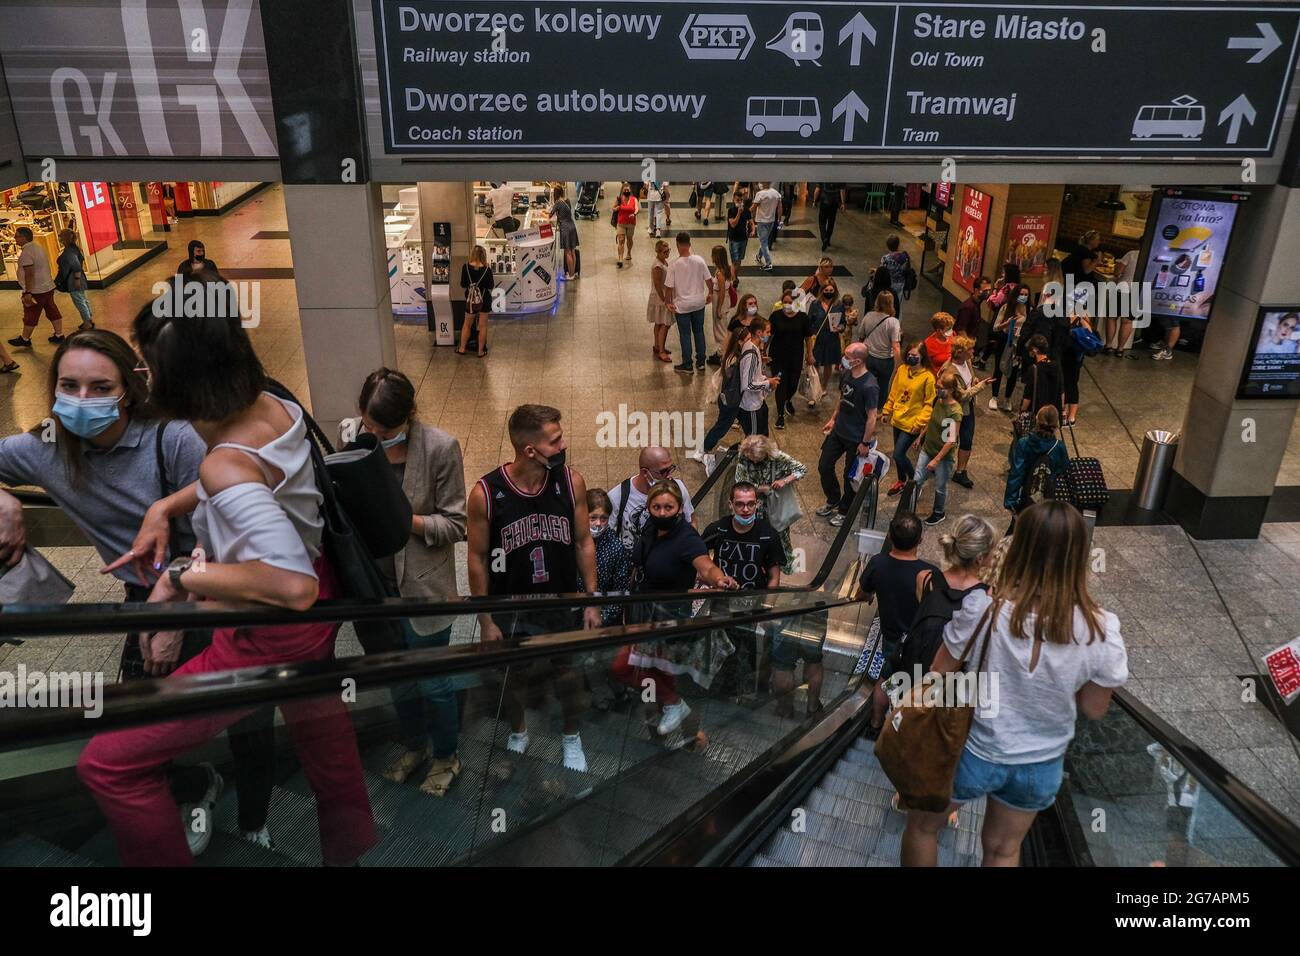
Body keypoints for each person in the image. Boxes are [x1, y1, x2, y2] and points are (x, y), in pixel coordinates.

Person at [79, 291, 377, 867]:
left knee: (109, 762)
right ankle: (349, 853)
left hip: (268, 631)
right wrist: (168, 506)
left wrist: (185, 575)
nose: (143, 374)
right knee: (325, 741)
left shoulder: (224, 460)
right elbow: (256, 478)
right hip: (320, 603)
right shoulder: (271, 402)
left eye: (147, 365)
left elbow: (292, 585)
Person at [0, 330, 251, 854]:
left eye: (99, 386)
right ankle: (187, 787)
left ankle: (253, 814)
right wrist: (4, 500)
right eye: (69, 385)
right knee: (139, 722)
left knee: (243, 709)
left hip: (211, 590)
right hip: (144, 597)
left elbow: (223, 534)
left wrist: (176, 618)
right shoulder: (47, 447)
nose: (82, 400)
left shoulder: (172, 438)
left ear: (128, 390)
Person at [901, 500, 1128, 867]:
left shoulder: (984, 609)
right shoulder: (1102, 629)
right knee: (1003, 849)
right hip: (1040, 764)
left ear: (1018, 549)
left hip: (975, 751)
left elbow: (936, 673)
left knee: (923, 829)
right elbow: (1094, 707)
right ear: (1078, 555)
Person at [341, 369, 467, 798]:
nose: (374, 436)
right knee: (398, 680)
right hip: (379, 588)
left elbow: (455, 524)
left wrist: (403, 522)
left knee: (434, 682)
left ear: (408, 417)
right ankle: (415, 746)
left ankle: (447, 755)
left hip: (425, 588)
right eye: (368, 426)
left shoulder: (440, 448)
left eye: (385, 430)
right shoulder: (354, 438)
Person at [466, 404, 603, 773]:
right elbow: (477, 558)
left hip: (560, 601)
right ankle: (519, 730)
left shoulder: (571, 481)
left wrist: (591, 599)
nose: (564, 445)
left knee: (569, 673)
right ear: (530, 450)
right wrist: (485, 618)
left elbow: (583, 541)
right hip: (512, 604)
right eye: (556, 440)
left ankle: (571, 737)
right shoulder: (486, 493)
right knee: (514, 674)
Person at [613, 481, 739, 734]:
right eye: (656, 507)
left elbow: (705, 566)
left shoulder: (686, 538)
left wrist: (719, 578)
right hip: (642, 611)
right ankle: (686, 732)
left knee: (624, 667)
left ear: (680, 508)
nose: (661, 513)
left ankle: (675, 705)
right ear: (648, 507)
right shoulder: (650, 527)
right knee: (656, 671)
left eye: (668, 507)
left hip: (667, 617)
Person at [702, 480, 785, 698]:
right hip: (720, 604)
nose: (745, 509)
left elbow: (774, 576)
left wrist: (767, 608)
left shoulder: (768, 534)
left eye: (750, 504)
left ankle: (742, 689)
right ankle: (716, 687)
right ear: (731, 505)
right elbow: (700, 562)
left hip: (751, 606)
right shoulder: (717, 529)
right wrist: (711, 582)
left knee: (745, 647)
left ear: (757, 504)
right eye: (740, 504)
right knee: (718, 645)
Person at [856, 511, 937, 729]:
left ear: (890, 537)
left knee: (886, 679)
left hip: (892, 639)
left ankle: (875, 722)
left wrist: (871, 593)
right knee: (915, 684)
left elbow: (861, 594)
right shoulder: (929, 573)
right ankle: (902, 729)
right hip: (920, 642)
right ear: (920, 540)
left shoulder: (878, 564)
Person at [816, 342, 878, 527]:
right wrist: (833, 419)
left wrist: (865, 443)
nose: (843, 359)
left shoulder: (870, 386)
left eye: (847, 357)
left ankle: (845, 510)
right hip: (839, 431)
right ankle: (833, 498)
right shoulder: (846, 374)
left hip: (856, 437)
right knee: (824, 465)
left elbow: (872, 417)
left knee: (849, 476)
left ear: (858, 361)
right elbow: (842, 399)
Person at [733, 434, 806, 573]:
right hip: (754, 504)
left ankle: (785, 564)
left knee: (780, 534)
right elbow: (740, 482)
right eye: (751, 460)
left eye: (758, 460)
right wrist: (762, 488)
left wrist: (784, 481)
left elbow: (801, 469)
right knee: (753, 532)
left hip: (776, 504)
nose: (753, 463)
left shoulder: (778, 457)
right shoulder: (743, 457)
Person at [608, 445, 696, 552]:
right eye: (663, 471)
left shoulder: (678, 488)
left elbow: (691, 521)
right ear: (645, 473)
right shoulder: (618, 496)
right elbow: (606, 535)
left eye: (671, 468)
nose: (669, 476)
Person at [882, 336, 935, 497]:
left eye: (915, 356)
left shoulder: (928, 378)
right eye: (909, 355)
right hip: (898, 419)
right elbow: (894, 392)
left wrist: (920, 423)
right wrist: (886, 410)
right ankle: (901, 480)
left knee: (898, 454)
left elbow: (928, 404)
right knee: (899, 457)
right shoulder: (902, 370)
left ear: (922, 357)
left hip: (912, 423)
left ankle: (914, 482)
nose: (911, 358)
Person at [912, 369, 963, 526]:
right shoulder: (938, 401)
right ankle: (910, 508)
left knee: (940, 486)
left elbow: (950, 441)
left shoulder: (954, 411)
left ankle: (939, 512)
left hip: (943, 456)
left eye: (941, 388)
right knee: (917, 480)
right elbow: (931, 420)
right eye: (937, 386)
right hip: (928, 448)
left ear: (951, 390)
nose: (937, 390)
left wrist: (936, 460)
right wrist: (921, 436)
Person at [1005, 406, 1069, 527]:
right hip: (1049, 499)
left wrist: (1010, 501)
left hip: (1027, 496)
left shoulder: (1024, 443)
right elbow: (1063, 469)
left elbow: (1016, 473)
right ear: (1056, 424)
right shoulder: (1059, 446)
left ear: (1036, 419)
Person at [940, 335, 990, 490]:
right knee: (947, 439)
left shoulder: (967, 362)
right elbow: (961, 395)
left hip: (968, 409)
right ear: (960, 352)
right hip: (952, 410)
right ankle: (940, 466)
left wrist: (974, 381)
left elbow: (969, 380)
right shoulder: (949, 370)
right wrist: (982, 385)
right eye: (970, 349)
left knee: (967, 440)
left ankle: (960, 471)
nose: (973, 351)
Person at [8, 226, 65, 349]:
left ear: (24, 237)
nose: (15, 238)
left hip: (36, 290)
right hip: (47, 286)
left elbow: (29, 274)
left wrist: (28, 292)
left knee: (30, 314)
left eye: (17, 236)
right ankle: (59, 334)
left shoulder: (26, 253)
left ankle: (25, 338)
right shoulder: (38, 248)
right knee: (51, 309)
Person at [664, 231, 712, 373]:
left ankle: (687, 364)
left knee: (685, 334)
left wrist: (668, 302)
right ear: (689, 244)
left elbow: (669, 288)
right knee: (699, 331)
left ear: (678, 245)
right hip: (698, 303)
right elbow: (709, 280)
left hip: (682, 306)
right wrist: (710, 294)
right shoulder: (699, 260)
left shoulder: (674, 265)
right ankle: (701, 362)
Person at [586, 488, 632, 625]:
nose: (598, 523)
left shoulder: (616, 548)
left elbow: (621, 591)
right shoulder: (572, 541)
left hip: (604, 621)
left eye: (603, 518)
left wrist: (601, 618)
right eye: (593, 518)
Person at [767, 289, 812, 429]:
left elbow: (808, 337)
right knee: (780, 384)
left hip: (795, 356)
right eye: (784, 302)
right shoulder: (775, 316)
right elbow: (769, 335)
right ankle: (780, 415)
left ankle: (788, 400)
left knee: (793, 383)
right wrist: (762, 350)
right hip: (778, 357)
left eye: (790, 302)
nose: (787, 304)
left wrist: (809, 354)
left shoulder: (803, 318)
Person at [854, 290, 901, 412]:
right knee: (883, 386)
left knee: (866, 382)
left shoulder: (869, 316)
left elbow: (861, 335)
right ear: (891, 303)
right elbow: (895, 346)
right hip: (885, 360)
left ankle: (864, 405)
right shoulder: (893, 322)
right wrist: (898, 365)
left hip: (868, 356)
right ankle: (877, 410)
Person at [988, 283, 1032, 411]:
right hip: (1005, 341)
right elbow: (996, 327)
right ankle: (994, 397)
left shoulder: (1028, 310)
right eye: (1021, 294)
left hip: (1018, 345)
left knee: (1013, 372)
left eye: (1026, 295)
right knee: (999, 368)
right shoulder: (1006, 308)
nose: (1023, 297)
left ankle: (1007, 398)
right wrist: (1007, 324)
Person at [808, 281, 844, 400]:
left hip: (832, 338)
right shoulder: (815, 304)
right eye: (826, 290)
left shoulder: (839, 305)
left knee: (829, 363)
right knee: (815, 363)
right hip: (817, 338)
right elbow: (809, 321)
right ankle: (816, 386)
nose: (828, 293)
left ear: (835, 291)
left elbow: (843, 323)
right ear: (822, 290)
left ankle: (824, 386)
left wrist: (840, 328)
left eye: (831, 291)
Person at [458, 244, 494, 357]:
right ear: (484, 255)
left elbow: (463, 284)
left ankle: (462, 348)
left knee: (467, 324)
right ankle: (480, 351)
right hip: (484, 300)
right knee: (483, 326)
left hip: (471, 301)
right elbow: (490, 286)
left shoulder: (466, 267)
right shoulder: (487, 269)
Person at [55, 229, 95, 332]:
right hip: (77, 277)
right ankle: (89, 319)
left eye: (60, 236)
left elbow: (76, 266)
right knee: (83, 298)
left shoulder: (69, 252)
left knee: (79, 300)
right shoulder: (74, 248)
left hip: (73, 279)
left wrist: (76, 280)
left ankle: (87, 322)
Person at [1062, 309, 1095, 427]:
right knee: (1063, 385)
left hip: (1075, 358)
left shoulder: (1082, 316)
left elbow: (1089, 337)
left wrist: (1081, 319)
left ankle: (1071, 416)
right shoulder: (1063, 313)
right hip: (1063, 355)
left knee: (1072, 385)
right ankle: (1063, 411)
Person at [1104, 248, 1140, 357]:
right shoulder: (1152, 257)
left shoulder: (1132, 254)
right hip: (1139, 292)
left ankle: (1109, 346)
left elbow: (1117, 272)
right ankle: (1120, 350)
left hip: (1123, 289)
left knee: (1112, 318)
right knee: (1127, 322)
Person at [1021, 334, 1064, 419]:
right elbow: (1062, 391)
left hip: (1038, 414)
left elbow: (1028, 396)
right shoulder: (1057, 366)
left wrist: (1022, 412)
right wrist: (1062, 410)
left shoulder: (1034, 369)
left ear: (1035, 350)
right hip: (1053, 414)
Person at [646, 239, 674, 363]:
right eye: (665, 251)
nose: (667, 253)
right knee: (664, 324)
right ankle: (661, 351)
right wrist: (664, 300)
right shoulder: (657, 265)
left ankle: (658, 345)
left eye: (668, 250)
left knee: (659, 323)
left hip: (662, 296)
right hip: (660, 297)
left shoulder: (663, 262)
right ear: (658, 252)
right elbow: (657, 284)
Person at [708, 244, 734, 365]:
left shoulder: (720, 273)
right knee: (722, 327)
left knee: (720, 329)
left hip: (720, 301)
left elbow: (722, 291)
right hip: (725, 301)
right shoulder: (728, 268)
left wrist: (718, 308)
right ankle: (721, 352)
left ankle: (722, 354)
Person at [549, 185, 580, 280]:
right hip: (572, 226)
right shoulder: (567, 200)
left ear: (555, 194)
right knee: (573, 251)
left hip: (565, 228)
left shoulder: (558, 202)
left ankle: (570, 275)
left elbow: (550, 215)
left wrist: (545, 213)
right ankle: (573, 273)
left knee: (567, 252)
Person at [879, 234, 912, 319]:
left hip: (888, 284)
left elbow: (882, 270)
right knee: (899, 304)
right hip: (900, 284)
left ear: (887, 246)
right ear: (898, 244)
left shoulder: (885, 258)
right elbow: (906, 270)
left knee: (887, 302)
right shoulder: (904, 257)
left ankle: (886, 319)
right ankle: (897, 325)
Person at [752, 182, 782, 271]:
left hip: (761, 222)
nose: (759, 184)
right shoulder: (776, 193)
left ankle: (768, 263)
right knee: (764, 241)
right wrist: (779, 219)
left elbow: (753, 208)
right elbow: (780, 207)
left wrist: (751, 218)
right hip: (771, 221)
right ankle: (758, 256)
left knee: (764, 243)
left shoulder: (760, 194)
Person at [726, 185, 752, 279]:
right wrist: (739, 213)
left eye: (741, 200)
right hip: (734, 239)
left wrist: (753, 229)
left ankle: (734, 276)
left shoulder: (746, 210)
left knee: (739, 260)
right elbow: (733, 224)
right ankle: (734, 279)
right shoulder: (731, 211)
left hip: (743, 239)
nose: (739, 202)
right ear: (733, 200)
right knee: (734, 261)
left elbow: (750, 220)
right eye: (737, 200)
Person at [812, 183, 847, 250]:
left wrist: (814, 201)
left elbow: (817, 189)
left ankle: (824, 238)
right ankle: (827, 239)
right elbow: (842, 190)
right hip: (834, 202)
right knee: (831, 222)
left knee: (822, 222)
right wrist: (843, 203)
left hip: (824, 201)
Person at [614, 182, 639, 267]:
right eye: (625, 190)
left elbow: (636, 208)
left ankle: (628, 252)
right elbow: (613, 207)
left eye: (628, 190)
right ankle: (620, 259)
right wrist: (616, 208)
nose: (626, 191)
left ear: (630, 191)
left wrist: (634, 214)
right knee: (621, 240)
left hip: (631, 223)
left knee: (629, 239)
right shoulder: (619, 199)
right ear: (622, 191)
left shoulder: (634, 199)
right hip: (621, 223)